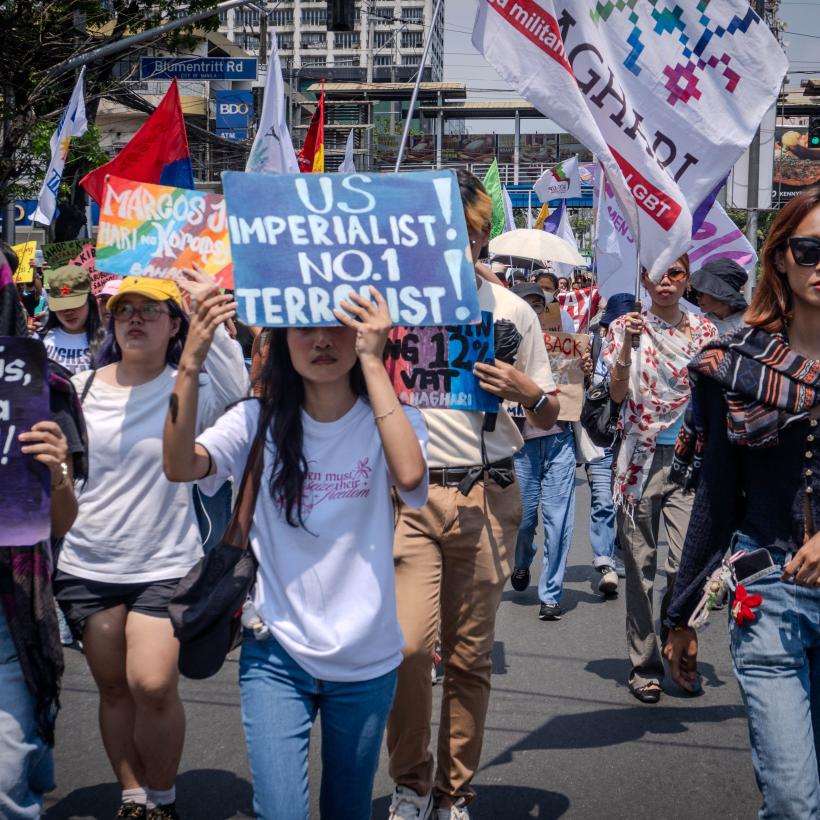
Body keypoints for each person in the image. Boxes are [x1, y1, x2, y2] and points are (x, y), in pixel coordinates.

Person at [163, 287, 428, 820]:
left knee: (347, 809)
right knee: (279, 811)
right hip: (275, 652)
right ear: (283, 339)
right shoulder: (254, 420)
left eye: (338, 326)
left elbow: (412, 477)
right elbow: (178, 465)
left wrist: (375, 362)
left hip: (367, 659)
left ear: (361, 333)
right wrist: (190, 362)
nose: (322, 341)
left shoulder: (392, 418)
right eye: (304, 327)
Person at [387, 171, 559, 820]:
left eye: (474, 238)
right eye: (447, 236)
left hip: (488, 496)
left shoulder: (512, 312)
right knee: (405, 650)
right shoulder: (394, 309)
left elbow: (550, 413)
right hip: (409, 501)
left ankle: (454, 793)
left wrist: (527, 391)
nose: (462, 250)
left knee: (467, 658)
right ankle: (411, 781)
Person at [52, 272, 248, 820]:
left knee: (154, 683)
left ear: (174, 324)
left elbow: (240, 391)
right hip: (87, 563)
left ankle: (163, 795)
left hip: (165, 563)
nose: (134, 318)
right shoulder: (80, 389)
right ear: (111, 323)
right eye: (123, 310)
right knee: (114, 690)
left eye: (150, 310)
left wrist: (215, 320)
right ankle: (135, 795)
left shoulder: (192, 387)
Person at [665, 189, 820, 817]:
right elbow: (716, 498)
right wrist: (683, 613)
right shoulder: (732, 366)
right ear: (780, 258)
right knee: (791, 799)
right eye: (811, 250)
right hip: (770, 589)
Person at [603, 255, 717, 704]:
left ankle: (679, 642)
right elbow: (616, 394)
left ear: (688, 278)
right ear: (644, 278)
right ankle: (643, 666)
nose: (666, 282)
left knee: (685, 567)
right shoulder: (625, 327)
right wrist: (629, 346)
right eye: (657, 274)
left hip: (692, 459)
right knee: (640, 568)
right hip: (640, 459)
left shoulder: (705, 331)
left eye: (676, 274)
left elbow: (715, 397)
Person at [0, 252, 84, 820]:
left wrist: (56, 473)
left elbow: (60, 523)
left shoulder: (46, 393)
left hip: (11, 607)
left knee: (5, 780)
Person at [507, 282, 580, 619]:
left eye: (540, 304)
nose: (535, 310)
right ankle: (522, 561)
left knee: (559, 520)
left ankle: (551, 593)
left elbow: (578, 389)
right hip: (521, 441)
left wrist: (586, 370)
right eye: (529, 304)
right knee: (523, 521)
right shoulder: (505, 342)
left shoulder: (565, 343)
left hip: (560, 438)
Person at [576, 293, 636, 592]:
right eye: (613, 326)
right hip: (600, 437)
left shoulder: (647, 352)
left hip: (633, 439)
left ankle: (621, 553)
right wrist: (584, 373)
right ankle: (605, 562)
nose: (618, 332)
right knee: (602, 498)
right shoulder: (593, 348)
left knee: (626, 502)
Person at [41, 266, 104, 374]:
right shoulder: (41, 339)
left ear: (89, 301)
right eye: (61, 306)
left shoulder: (107, 339)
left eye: (75, 305)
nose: (68, 312)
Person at [690, 258, 749, 334]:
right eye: (696, 292)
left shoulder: (750, 323)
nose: (697, 297)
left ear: (721, 294)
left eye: (701, 293)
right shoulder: (699, 325)